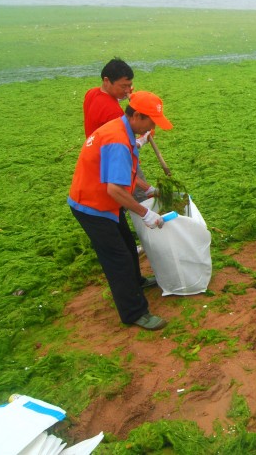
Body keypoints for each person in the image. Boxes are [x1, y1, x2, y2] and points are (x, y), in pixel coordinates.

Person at [68, 91, 173, 330]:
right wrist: (146, 214)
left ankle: (137, 281)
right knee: (119, 259)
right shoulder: (117, 141)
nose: (152, 128)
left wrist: (149, 190)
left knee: (127, 245)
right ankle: (134, 313)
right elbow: (114, 189)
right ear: (137, 116)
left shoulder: (122, 129)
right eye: (151, 122)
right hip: (92, 207)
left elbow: (125, 173)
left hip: (105, 203)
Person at [84, 58, 152, 202]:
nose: (127, 90)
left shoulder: (92, 93)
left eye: (130, 85)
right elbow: (123, 143)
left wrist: (123, 95)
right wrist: (141, 140)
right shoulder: (113, 114)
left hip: (97, 155)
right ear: (107, 81)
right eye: (123, 86)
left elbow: (105, 101)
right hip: (117, 160)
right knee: (139, 199)